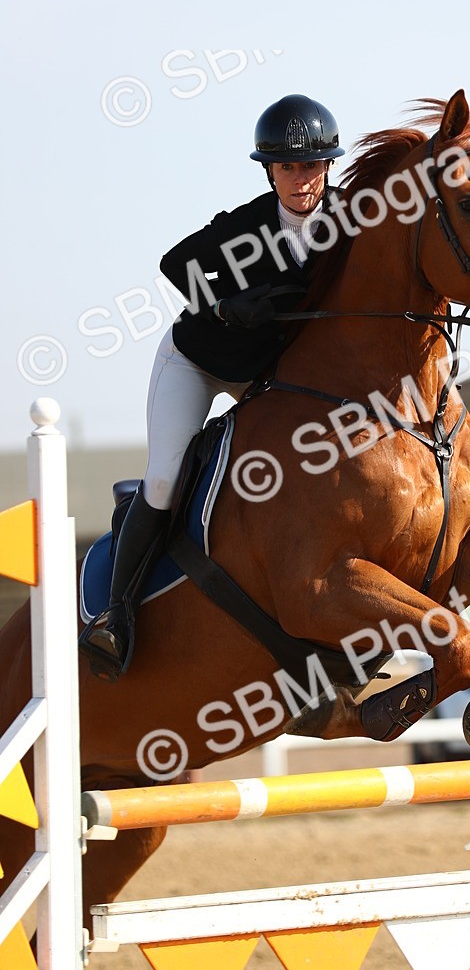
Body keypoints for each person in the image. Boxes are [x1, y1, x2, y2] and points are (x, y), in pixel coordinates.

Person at [79, 94, 346, 681]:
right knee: (167, 478)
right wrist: (223, 303)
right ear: (269, 171)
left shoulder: (352, 221)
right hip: (197, 362)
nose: (301, 179)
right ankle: (115, 617)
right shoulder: (245, 226)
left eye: (312, 166)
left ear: (329, 166)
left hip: (264, 375)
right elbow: (175, 262)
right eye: (288, 168)